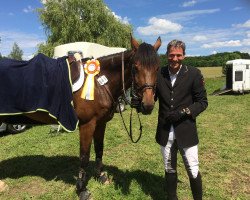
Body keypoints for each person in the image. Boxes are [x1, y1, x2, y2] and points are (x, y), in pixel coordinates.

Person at [155, 39, 208, 200]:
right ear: (167, 55)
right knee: (169, 169)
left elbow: (202, 102)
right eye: (172, 55)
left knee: (192, 169)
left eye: (179, 55)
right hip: (165, 131)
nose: (175, 59)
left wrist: (184, 112)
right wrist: (141, 103)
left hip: (186, 130)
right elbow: (152, 98)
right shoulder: (159, 74)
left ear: (184, 56)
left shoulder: (193, 73)